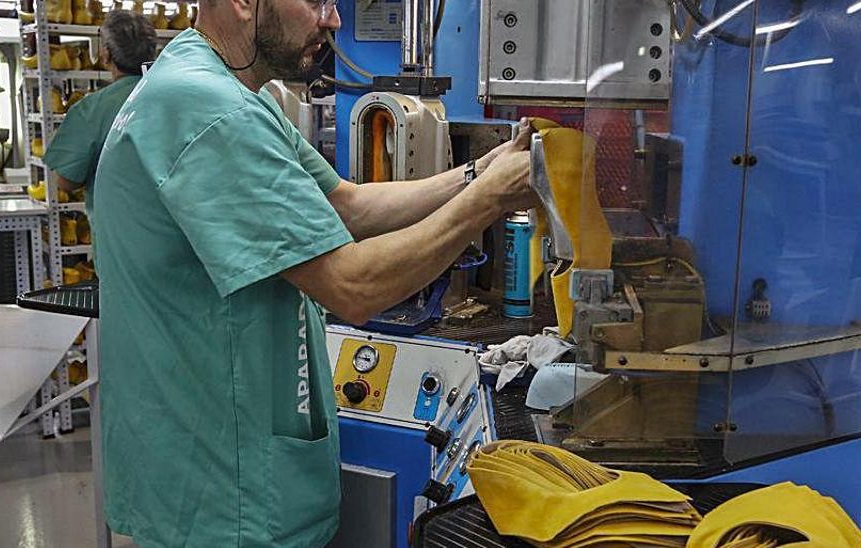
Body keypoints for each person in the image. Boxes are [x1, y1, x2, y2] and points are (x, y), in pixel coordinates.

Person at [89, 0, 538, 545]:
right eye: (317, 1)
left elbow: (348, 205)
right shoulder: (212, 112)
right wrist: (489, 202)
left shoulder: (212, 85)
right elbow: (352, 286)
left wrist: (475, 173)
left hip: (204, 467)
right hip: (225, 499)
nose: (334, 20)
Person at [42, 10, 157, 219]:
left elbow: (65, 181)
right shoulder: (176, 99)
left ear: (105, 55)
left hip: (118, 235)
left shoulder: (90, 110)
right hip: (178, 237)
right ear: (152, 53)